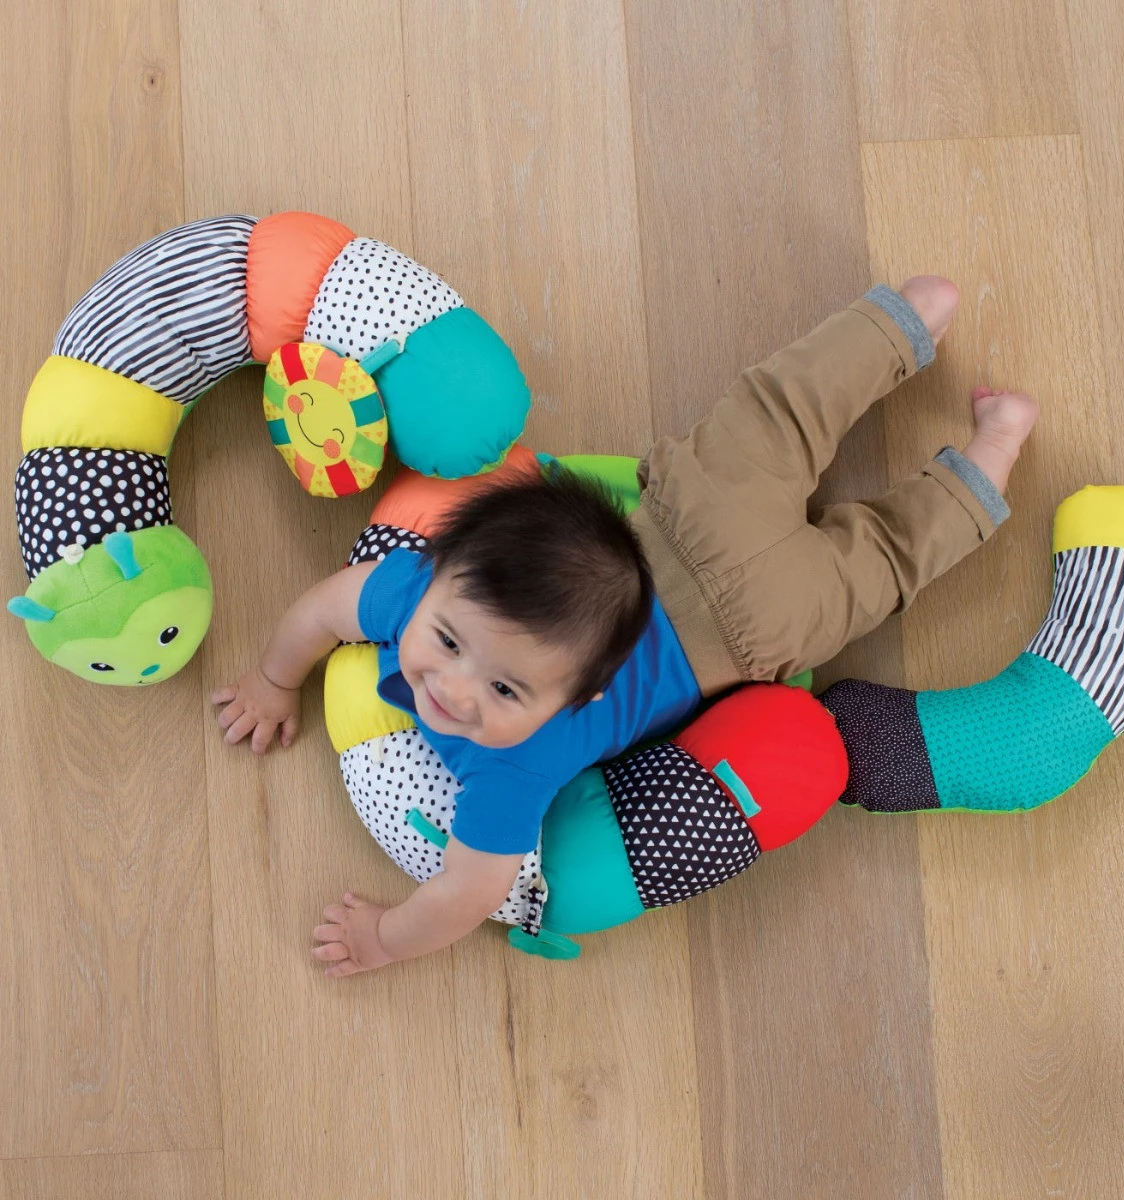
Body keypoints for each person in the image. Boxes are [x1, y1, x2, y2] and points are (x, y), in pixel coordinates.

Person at [212, 276, 1038, 977]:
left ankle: (995, 440)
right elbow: (325, 608)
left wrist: (384, 939)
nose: (453, 692)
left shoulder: (510, 763)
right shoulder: (421, 589)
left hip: (756, 625)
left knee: (882, 550)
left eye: (506, 689)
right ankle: (910, 317)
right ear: (440, 569)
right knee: (783, 409)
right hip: (694, 513)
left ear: (585, 695)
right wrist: (273, 678)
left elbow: (466, 893)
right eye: (451, 643)